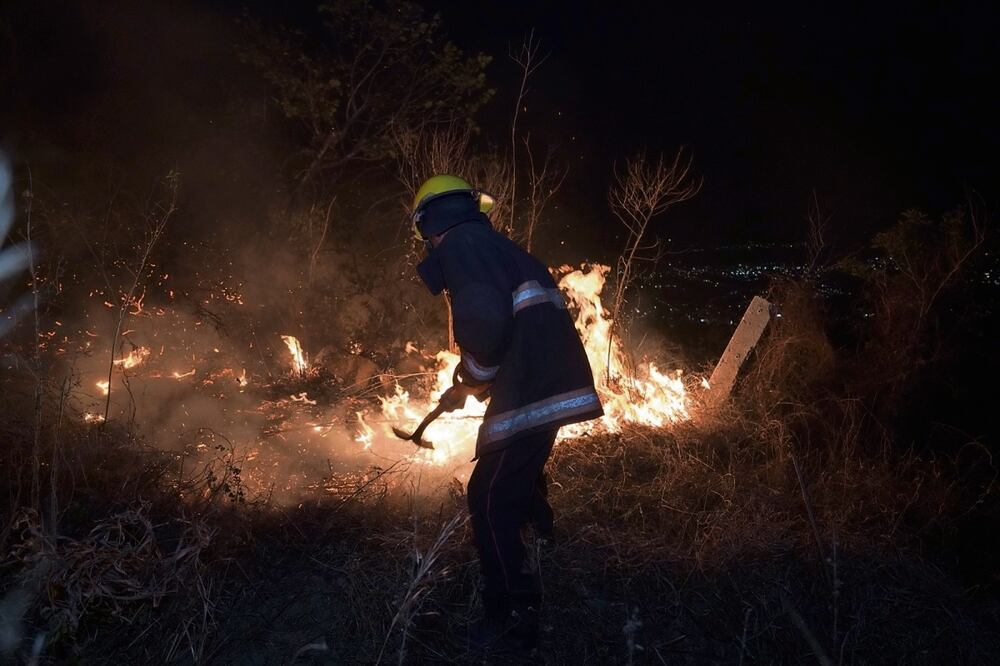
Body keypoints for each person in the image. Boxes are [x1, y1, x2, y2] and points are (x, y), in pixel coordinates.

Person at [410, 174, 604, 653]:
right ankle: (542, 541)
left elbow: (487, 323)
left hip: (535, 387)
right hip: (544, 380)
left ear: (430, 222)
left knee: (489, 495)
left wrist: (475, 374)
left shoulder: (462, 246)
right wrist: (472, 381)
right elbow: (513, 325)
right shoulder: (494, 245)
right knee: (517, 473)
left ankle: (514, 615)